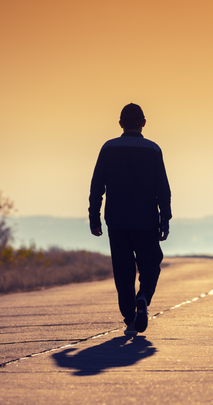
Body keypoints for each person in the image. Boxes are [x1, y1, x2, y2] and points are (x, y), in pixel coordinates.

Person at [88, 103, 171, 335]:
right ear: (143, 123)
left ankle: (130, 317)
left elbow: (97, 187)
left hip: (117, 221)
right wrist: (165, 219)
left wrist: (94, 217)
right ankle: (143, 296)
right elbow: (162, 189)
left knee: (123, 272)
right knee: (150, 264)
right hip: (146, 222)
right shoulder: (153, 150)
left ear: (121, 124)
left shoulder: (108, 148)